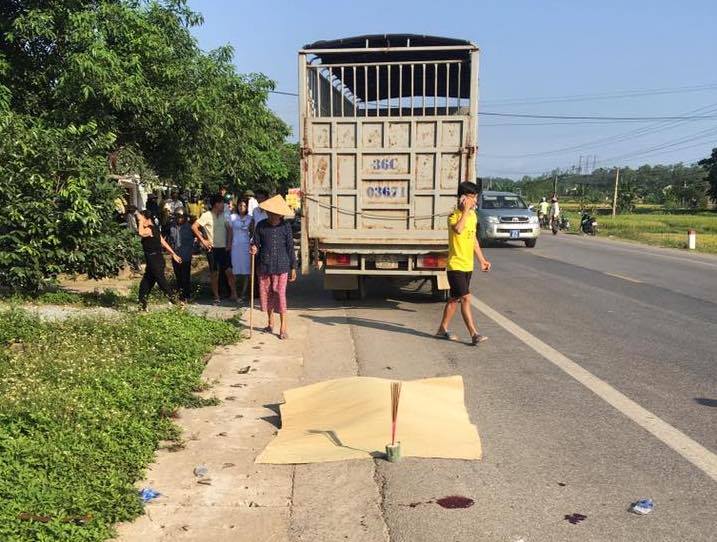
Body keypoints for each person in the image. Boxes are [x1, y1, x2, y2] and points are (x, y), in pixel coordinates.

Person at [436, 181, 491, 346]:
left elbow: (473, 238)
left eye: (475, 197)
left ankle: (442, 329)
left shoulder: (473, 216)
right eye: (471, 197)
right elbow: (458, 229)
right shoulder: (453, 216)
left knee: (454, 299)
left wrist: (482, 260)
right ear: (462, 198)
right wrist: (465, 210)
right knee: (466, 298)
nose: (474, 201)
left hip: (468, 265)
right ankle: (474, 334)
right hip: (455, 266)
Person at [249, 195, 297, 339]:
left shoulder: (285, 226)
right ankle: (270, 323)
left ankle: (283, 327)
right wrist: (253, 248)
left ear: (279, 214)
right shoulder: (261, 225)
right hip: (264, 265)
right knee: (267, 293)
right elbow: (255, 243)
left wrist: (293, 267)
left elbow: (290, 247)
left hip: (282, 265)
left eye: (274, 213)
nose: (271, 215)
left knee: (280, 294)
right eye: (269, 212)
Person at [192, 193, 238, 304]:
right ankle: (216, 296)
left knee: (229, 271)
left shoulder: (225, 215)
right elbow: (194, 227)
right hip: (212, 249)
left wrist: (229, 244)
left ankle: (234, 294)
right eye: (222, 203)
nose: (224, 205)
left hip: (224, 248)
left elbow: (230, 230)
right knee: (214, 273)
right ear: (216, 204)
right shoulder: (206, 215)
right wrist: (203, 241)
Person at [137, 210, 181, 311]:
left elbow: (141, 233)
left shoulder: (149, 230)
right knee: (145, 284)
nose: (139, 221)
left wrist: (140, 221)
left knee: (162, 282)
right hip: (154, 260)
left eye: (141, 219)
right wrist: (173, 254)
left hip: (155, 260)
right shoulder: (155, 229)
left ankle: (176, 301)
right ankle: (142, 305)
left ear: (147, 219)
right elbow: (164, 243)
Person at [169, 209, 194, 302]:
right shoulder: (172, 226)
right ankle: (180, 295)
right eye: (178, 217)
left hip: (186, 255)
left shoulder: (190, 227)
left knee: (185, 276)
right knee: (178, 276)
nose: (180, 219)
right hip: (175, 255)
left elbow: (198, 236)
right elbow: (169, 240)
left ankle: (187, 295)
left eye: (182, 217)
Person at [230, 199, 253, 301]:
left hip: (245, 246)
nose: (241, 207)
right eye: (240, 205)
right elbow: (229, 232)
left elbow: (252, 232)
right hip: (235, 246)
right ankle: (234, 293)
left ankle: (243, 293)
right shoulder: (232, 217)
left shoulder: (250, 218)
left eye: (244, 206)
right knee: (234, 270)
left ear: (247, 207)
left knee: (246, 271)